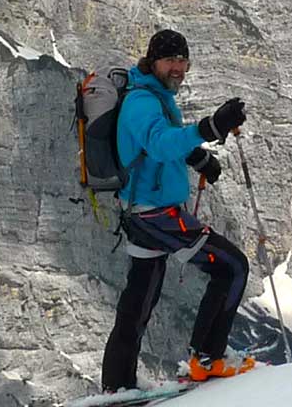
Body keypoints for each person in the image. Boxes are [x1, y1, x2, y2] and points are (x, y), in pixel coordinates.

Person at [100, 29, 254, 392]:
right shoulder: (142, 102)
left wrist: (196, 157)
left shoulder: (154, 96)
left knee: (139, 300)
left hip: (140, 211)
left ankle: (117, 385)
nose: (178, 68)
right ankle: (208, 358)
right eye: (170, 60)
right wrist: (208, 129)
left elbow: (159, 143)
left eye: (183, 60)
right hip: (156, 215)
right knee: (232, 268)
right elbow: (158, 142)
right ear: (153, 61)